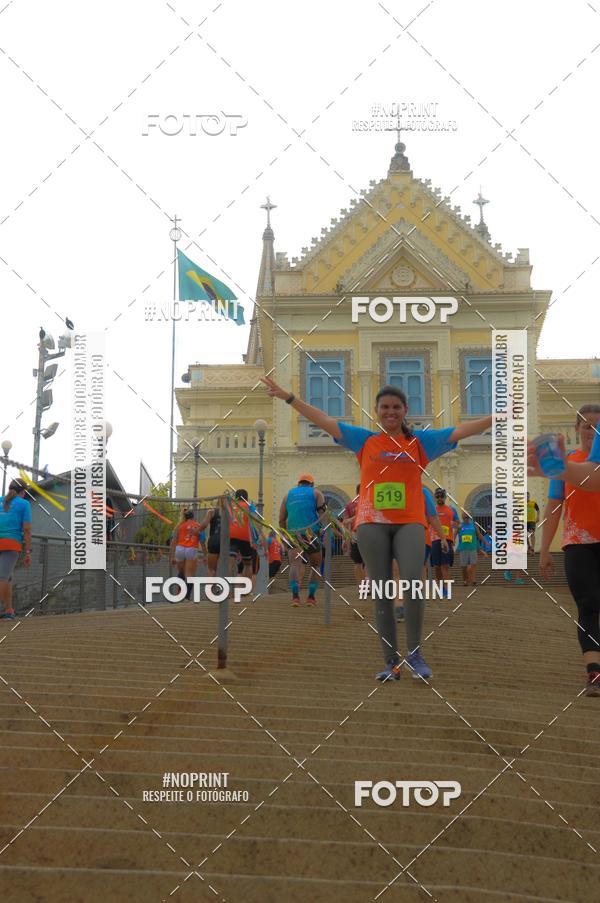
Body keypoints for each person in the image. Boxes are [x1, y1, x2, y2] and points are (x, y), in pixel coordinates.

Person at [261, 376, 492, 681]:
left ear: (404, 410)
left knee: (412, 584)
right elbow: (325, 420)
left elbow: (461, 430)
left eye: (396, 407)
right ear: (377, 410)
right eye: (385, 407)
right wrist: (289, 398)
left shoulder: (420, 443)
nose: (390, 412)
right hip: (371, 524)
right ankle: (390, 662)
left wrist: (498, 416)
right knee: (382, 592)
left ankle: (416, 654)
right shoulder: (365, 440)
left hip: (409, 521)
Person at [537, 404, 600, 696]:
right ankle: (594, 672)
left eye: (598, 426)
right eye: (587, 425)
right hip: (578, 545)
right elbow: (553, 508)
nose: (593, 431)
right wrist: (544, 550)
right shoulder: (565, 465)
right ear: (577, 429)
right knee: (588, 605)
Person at [279, 474, 325, 606]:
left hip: (294, 534)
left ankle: (295, 597)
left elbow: (281, 519)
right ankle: (311, 597)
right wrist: (323, 529)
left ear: (298, 483)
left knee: (294, 564)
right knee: (316, 566)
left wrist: (284, 535)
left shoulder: (288, 495)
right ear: (311, 483)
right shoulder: (316, 493)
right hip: (312, 533)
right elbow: (323, 514)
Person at [0, 479, 32, 620]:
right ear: (23, 492)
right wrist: (28, 552)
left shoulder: (0, 500)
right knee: (3, 578)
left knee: (8, 578)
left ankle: (9, 610)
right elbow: (26, 529)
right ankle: (8, 611)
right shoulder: (24, 504)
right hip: (11, 544)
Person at [528, 432, 600, 490]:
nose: (593, 432)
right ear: (577, 428)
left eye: (596, 427)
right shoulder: (565, 459)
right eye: (587, 428)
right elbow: (554, 503)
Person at [169, 508, 204, 601]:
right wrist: (206, 554)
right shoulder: (197, 525)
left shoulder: (180, 526)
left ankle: (178, 594)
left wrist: (172, 556)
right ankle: (186, 597)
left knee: (182, 572)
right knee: (190, 575)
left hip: (180, 549)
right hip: (191, 548)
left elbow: (173, 542)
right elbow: (202, 540)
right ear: (193, 516)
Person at [431, 488, 459, 598]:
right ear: (435, 497)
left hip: (447, 541)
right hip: (434, 540)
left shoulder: (451, 509)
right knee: (437, 566)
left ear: (445, 497)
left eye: (441, 496)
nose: (440, 498)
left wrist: (454, 534)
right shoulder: (432, 509)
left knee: (446, 566)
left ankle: (447, 590)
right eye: (437, 496)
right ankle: (440, 588)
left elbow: (457, 523)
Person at [342, 485, 365, 585]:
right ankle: (367, 586)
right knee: (367, 563)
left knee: (357, 563)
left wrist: (345, 540)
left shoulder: (349, 505)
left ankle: (362, 586)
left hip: (355, 536)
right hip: (368, 536)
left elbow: (345, 522)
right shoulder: (370, 503)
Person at [456, 511, 484, 587]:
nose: (466, 519)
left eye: (467, 517)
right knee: (464, 567)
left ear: (470, 517)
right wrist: (452, 544)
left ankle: (473, 581)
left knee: (473, 565)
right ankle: (465, 580)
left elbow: (478, 534)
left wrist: (484, 542)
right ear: (462, 518)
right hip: (463, 548)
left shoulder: (474, 525)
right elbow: (455, 535)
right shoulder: (460, 526)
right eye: (464, 518)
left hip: (472, 548)